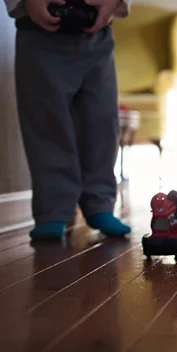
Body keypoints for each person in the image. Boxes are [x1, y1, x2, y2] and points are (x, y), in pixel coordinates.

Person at [4, 0, 132, 239]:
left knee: (102, 122)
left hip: (96, 35)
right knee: (47, 126)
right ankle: (53, 210)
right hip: (38, 36)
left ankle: (100, 204)